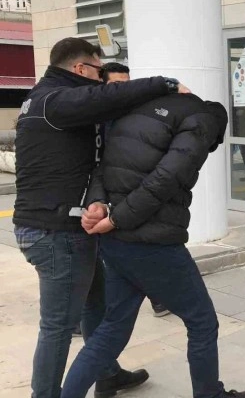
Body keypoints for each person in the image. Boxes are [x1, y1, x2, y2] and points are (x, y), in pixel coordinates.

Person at [13, 37, 188, 398]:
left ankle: (107, 373)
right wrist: (166, 84)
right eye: (98, 71)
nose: (102, 79)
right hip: (55, 232)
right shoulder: (56, 100)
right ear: (79, 68)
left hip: (65, 227)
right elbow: (108, 97)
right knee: (58, 327)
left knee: (96, 304)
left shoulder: (47, 98)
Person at [60, 93, 245, 398]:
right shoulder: (203, 120)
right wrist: (117, 218)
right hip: (153, 244)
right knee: (202, 321)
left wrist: (98, 204)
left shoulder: (139, 111)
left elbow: (103, 167)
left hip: (116, 244)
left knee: (112, 328)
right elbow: (165, 180)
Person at [100, 62, 172, 318]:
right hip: (98, 191)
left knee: (138, 244)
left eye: (126, 85)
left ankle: (158, 298)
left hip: (130, 190)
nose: (123, 91)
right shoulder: (94, 116)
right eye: (116, 85)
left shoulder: (138, 113)